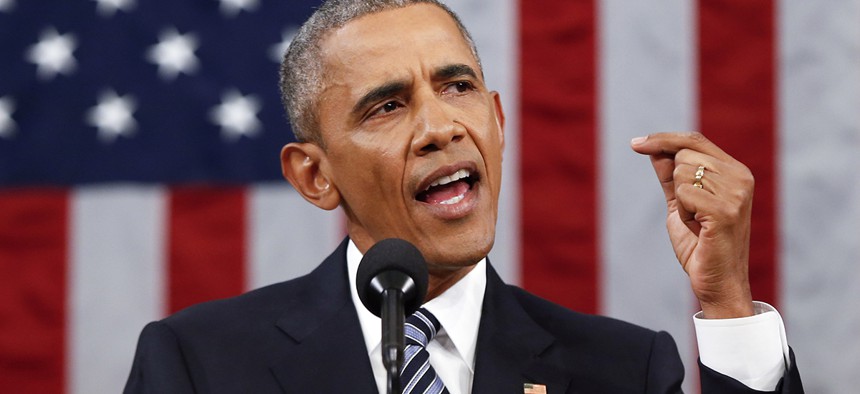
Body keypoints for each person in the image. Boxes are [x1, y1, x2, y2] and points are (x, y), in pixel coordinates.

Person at [125, 0, 803, 393]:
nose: (442, 127)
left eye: (458, 88)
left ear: (498, 123)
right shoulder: (198, 365)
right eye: (387, 106)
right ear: (314, 176)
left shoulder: (622, 371)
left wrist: (726, 304)